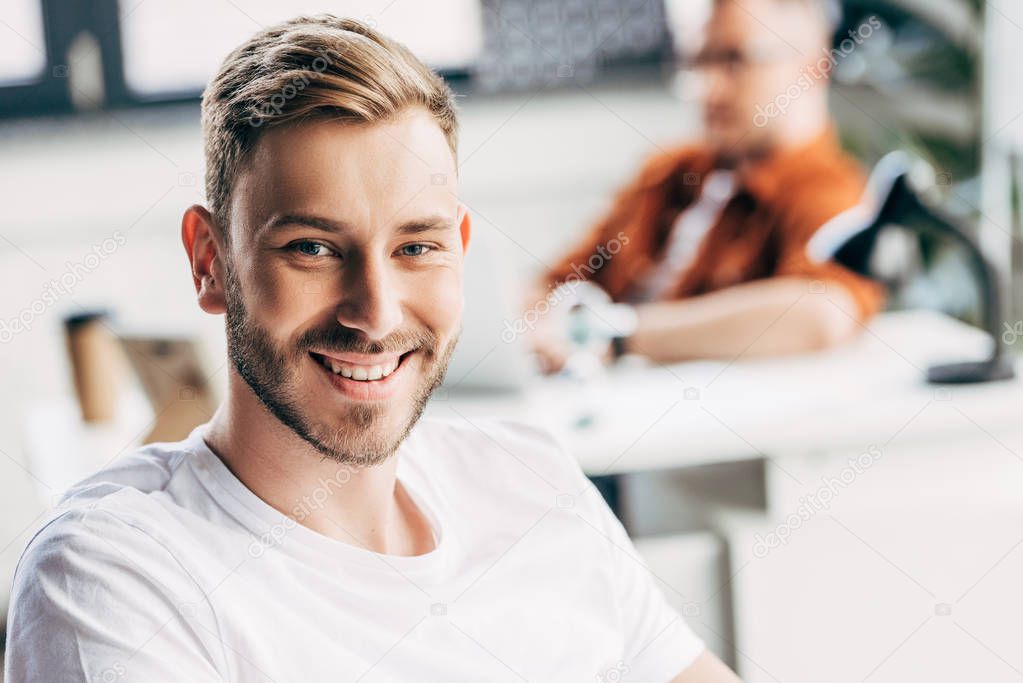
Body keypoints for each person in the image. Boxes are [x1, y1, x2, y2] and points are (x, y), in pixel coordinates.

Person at [4, 16, 740, 683]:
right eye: (314, 248)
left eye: (416, 246)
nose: (375, 311)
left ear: (459, 250)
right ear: (210, 262)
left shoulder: (531, 480)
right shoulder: (114, 576)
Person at [530, 0, 886, 374]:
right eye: (698, 61)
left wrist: (619, 335)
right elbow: (551, 285)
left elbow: (822, 314)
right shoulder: (669, 170)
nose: (707, 87)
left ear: (814, 66)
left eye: (735, 59)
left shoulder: (827, 189)